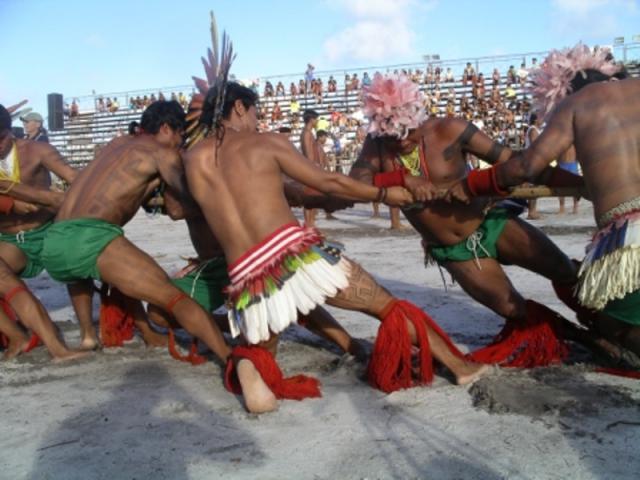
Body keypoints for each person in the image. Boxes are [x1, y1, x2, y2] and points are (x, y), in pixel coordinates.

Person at [181, 35, 489, 413]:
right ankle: (459, 366)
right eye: (256, 112)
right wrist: (384, 193)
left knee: (260, 345)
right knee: (389, 306)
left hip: (249, 281)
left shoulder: (192, 161)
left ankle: (250, 369)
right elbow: (327, 182)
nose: (258, 120)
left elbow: (188, 211)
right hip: (297, 258)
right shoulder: (265, 143)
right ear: (241, 108)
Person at [350, 73, 582, 367]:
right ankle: (582, 338)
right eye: (392, 137)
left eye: (407, 132)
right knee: (512, 309)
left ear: (418, 117)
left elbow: (514, 160)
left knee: (565, 272)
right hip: (454, 249)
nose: (402, 141)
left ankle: (608, 324)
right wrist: (403, 178)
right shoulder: (378, 144)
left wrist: (578, 185)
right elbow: (356, 179)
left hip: (490, 222)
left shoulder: (452, 129)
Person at [447, 44, 639, 358]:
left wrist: (473, 183)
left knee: (611, 324)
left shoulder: (576, 104)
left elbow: (526, 167)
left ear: (561, 89)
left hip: (630, 237)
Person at [38, 101, 229, 360]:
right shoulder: (161, 152)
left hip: (55, 240)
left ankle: (88, 335)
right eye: (180, 135)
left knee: (117, 270)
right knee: (172, 297)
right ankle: (228, 356)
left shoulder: (116, 144)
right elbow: (188, 197)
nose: (179, 141)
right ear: (165, 128)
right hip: (89, 238)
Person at [0, 104, 87, 361]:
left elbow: (77, 181)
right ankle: (18, 336)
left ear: (10, 132)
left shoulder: (38, 150)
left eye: (1, 138)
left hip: (47, 230)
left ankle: (87, 333)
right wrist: (12, 204)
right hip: (9, 239)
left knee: (81, 266)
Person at [300, 109, 321, 227]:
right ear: (311, 119)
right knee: (310, 198)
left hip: (312, 168)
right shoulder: (307, 133)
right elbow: (309, 154)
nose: (317, 121)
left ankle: (311, 223)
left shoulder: (309, 132)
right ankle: (309, 225)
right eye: (316, 119)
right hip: (311, 168)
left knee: (313, 198)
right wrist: (314, 168)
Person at [524, 113, 543, 219]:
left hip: (532, 160)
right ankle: (531, 212)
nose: (542, 120)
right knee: (533, 187)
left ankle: (532, 210)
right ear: (536, 120)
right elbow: (535, 146)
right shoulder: (533, 130)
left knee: (534, 186)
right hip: (533, 160)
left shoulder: (533, 129)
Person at [557, 145, 580, 214]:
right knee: (560, 187)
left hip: (572, 163)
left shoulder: (574, 141)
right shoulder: (561, 141)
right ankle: (562, 206)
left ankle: (575, 206)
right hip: (562, 164)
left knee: (575, 188)